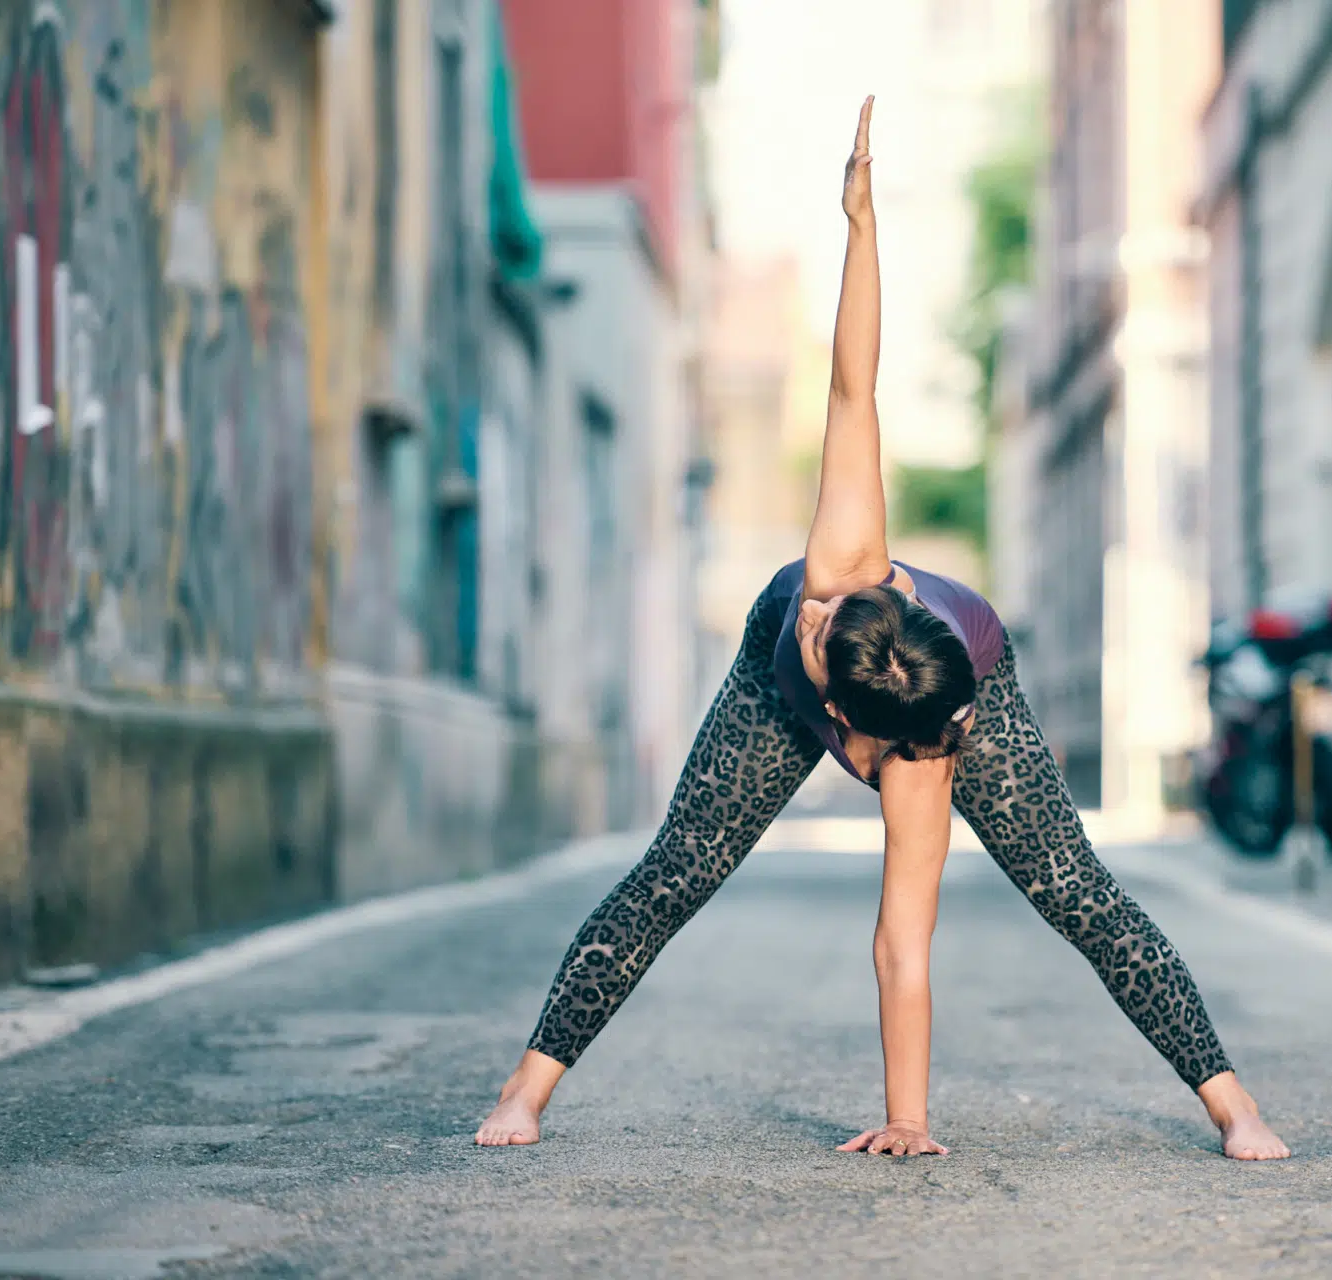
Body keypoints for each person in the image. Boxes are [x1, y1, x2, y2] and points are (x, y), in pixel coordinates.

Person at [475, 98, 1289, 1162]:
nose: (814, 619)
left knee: (1075, 890)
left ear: (864, 733)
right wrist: (861, 227)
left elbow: (903, 943)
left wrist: (910, 1120)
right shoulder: (837, 565)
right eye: (826, 622)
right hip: (805, 686)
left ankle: (1235, 1102)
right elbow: (853, 384)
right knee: (675, 869)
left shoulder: (923, 752)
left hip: (961, 694)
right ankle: (526, 1087)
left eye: (819, 639)